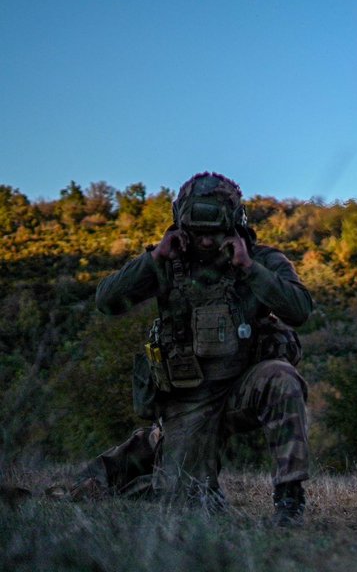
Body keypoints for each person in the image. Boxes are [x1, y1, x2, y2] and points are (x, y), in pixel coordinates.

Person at [95, 172, 313, 526]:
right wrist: (153, 260)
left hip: (242, 388)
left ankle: (289, 498)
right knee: (188, 507)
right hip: (188, 400)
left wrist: (249, 269)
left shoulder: (261, 260)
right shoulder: (168, 261)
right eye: (198, 233)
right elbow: (106, 302)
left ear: (233, 223)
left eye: (214, 233)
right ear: (181, 224)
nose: (207, 242)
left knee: (282, 378)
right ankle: (151, 449)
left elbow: (300, 309)